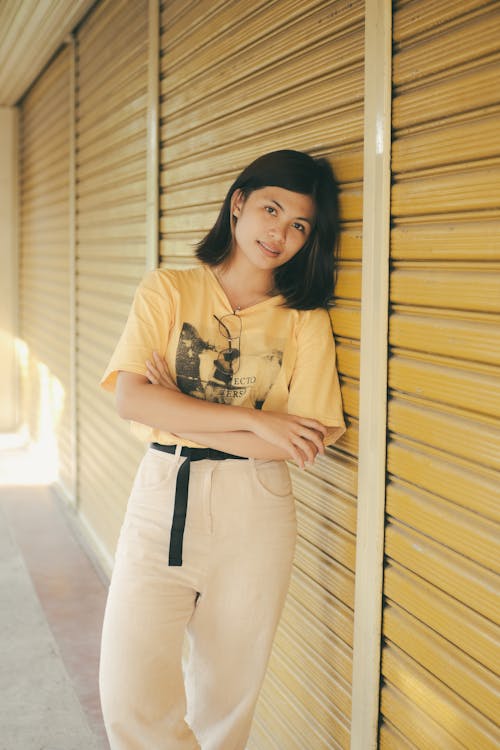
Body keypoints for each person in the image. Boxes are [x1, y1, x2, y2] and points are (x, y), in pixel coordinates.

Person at [98, 149, 346, 750]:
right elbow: (132, 401)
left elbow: (297, 443)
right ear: (238, 204)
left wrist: (177, 408)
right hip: (164, 495)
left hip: (256, 509)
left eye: (299, 225)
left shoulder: (304, 321)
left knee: (225, 702)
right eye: (270, 209)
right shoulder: (169, 289)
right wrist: (257, 422)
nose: (279, 233)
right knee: (128, 695)